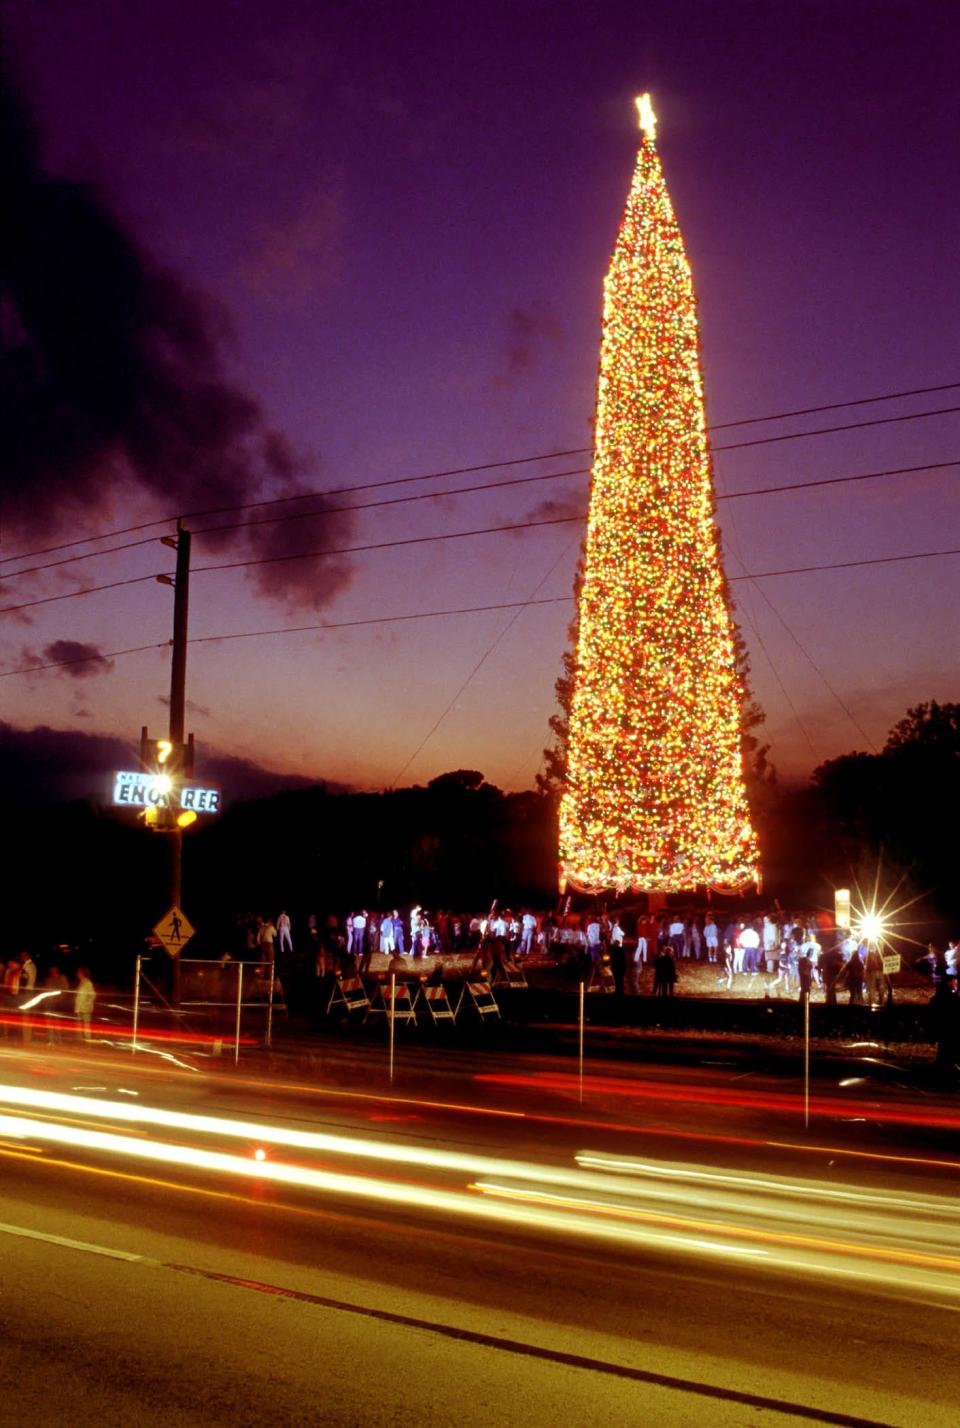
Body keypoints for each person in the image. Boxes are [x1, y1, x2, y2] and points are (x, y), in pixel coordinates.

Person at [74, 967, 96, 1042]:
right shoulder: (81, 982)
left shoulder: (88, 983)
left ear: (83, 974)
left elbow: (92, 995)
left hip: (85, 1008)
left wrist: (87, 1004)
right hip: (80, 1008)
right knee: (80, 1025)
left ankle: (87, 1039)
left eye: (79, 973)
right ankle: (80, 1039)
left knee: (86, 1025)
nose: (77, 974)